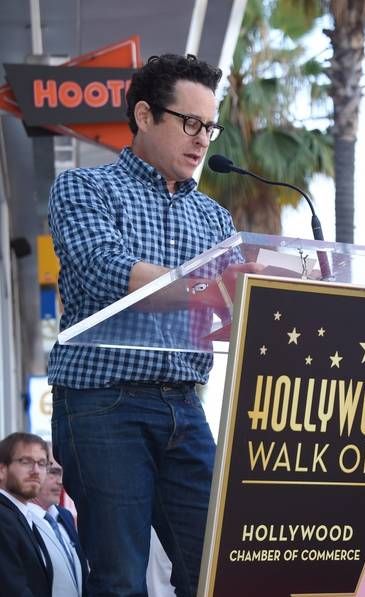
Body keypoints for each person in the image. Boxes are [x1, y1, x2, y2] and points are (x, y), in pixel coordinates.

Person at [47, 53, 241, 597]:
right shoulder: (84, 188)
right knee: (120, 579)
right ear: (145, 115)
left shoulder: (215, 218)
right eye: (190, 122)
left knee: (217, 571)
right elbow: (107, 270)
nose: (202, 140)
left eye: (210, 127)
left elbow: (235, 306)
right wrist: (212, 288)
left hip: (185, 405)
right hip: (103, 402)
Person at [0, 432, 53, 597]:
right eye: (26, 461)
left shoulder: (22, 516)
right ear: (1, 470)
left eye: (42, 463)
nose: (36, 471)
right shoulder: (3, 517)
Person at [28, 449, 87, 596]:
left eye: (62, 473)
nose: (60, 481)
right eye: (53, 472)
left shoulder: (65, 516)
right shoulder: (17, 519)